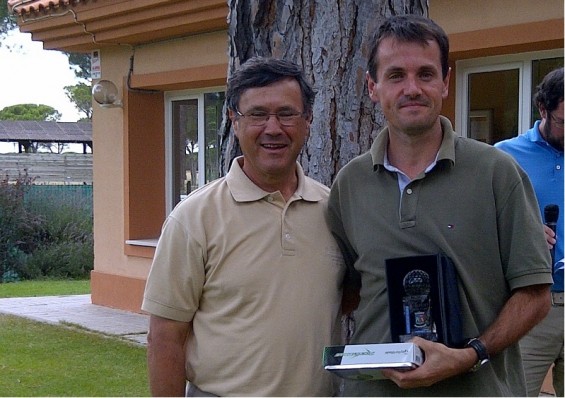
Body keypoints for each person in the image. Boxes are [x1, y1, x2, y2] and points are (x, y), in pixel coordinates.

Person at [326, 15, 553, 396]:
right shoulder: (350, 184)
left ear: (445, 82)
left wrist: (471, 354)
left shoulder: (498, 173)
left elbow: (535, 296)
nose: (411, 88)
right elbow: (346, 293)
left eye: (425, 74)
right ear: (372, 87)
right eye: (396, 75)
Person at [142, 57, 345, 396]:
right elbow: (164, 338)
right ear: (234, 121)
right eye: (257, 114)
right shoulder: (194, 217)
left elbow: (347, 299)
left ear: (307, 120)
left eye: (286, 113)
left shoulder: (333, 210)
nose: (273, 128)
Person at [495, 67, 564, 397]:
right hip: (530, 306)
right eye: (564, 122)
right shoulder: (504, 157)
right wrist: (523, 232)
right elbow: (478, 228)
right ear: (543, 110)